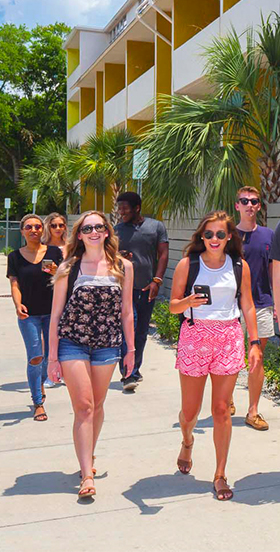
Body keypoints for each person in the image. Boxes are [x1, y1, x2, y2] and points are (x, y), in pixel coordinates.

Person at [170, 210, 261, 501]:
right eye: (208, 234)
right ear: (201, 236)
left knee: (221, 410)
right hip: (195, 336)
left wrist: (254, 341)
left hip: (228, 337)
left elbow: (247, 304)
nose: (214, 239)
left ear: (229, 236)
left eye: (220, 234)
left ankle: (220, 474)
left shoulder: (239, 266)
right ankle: (187, 440)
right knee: (191, 412)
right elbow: (173, 306)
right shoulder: (188, 264)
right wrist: (187, 301)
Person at [47, 210, 134, 498]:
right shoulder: (68, 267)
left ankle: (89, 455)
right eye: (87, 228)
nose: (94, 232)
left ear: (107, 231)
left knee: (96, 406)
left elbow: (126, 312)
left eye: (99, 227)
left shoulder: (123, 267)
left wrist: (130, 350)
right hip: (73, 342)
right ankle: (86, 476)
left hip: (108, 344)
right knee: (83, 407)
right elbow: (56, 315)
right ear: (80, 234)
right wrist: (52, 357)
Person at [7, 214, 63, 421]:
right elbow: (15, 284)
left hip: (52, 313)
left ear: (42, 230)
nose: (34, 230)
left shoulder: (53, 252)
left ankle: (40, 383)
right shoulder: (15, 257)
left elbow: (61, 279)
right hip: (29, 314)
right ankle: (38, 402)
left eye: (38, 226)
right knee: (35, 356)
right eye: (29, 227)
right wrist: (17, 304)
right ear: (22, 231)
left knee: (49, 355)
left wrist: (54, 269)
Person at [115, 192, 169, 391]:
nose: (121, 212)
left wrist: (157, 280)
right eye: (119, 208)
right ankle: (128, 374)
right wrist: (118, 255)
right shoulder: (117, 230)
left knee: (141, 332)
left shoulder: (156, 227)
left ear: (137, 207)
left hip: (148, 288)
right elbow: (109, 255)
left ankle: (134, 369)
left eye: (124, 208)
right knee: (127, 330)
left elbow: (163, 254)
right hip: (125, 289)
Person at [231, 186, 274, 430]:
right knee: (233, 358)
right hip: (232, 308)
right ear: (237, 205)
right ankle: (227, 399)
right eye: (244, 201)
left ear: (259, 205)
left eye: (254, 201)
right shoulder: (227, 235)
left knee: (256, 357)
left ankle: (253, 411)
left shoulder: (268, 235)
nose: (249, 205)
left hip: (261, 304)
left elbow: (273, 270)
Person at [42, 212, 68, 387]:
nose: (58, 228)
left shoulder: (71, 245)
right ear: (48, 227)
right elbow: (46, 269)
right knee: (48, 334)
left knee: (66, 333)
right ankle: (49, 373)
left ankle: (65, 371)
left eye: (61, 225)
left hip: (69, 292)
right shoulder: (43, 246)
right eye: (54, 225)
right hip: (48, 292)